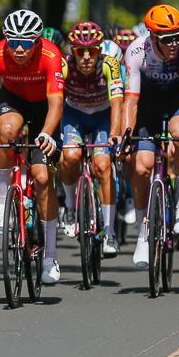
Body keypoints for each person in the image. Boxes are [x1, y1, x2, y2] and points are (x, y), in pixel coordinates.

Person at [0, 9, 65, 284]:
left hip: (44, 107)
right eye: (13, 42)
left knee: (43, 179)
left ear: (37, 41)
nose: (19, 49)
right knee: (6, 131)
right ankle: (1, 202)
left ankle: (50, 255)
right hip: (13, 100)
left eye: (26, 42)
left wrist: (47, 134)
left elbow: (57, 102)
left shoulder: (51, 54)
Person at [122, 4, 179, 266]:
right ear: (152, 37)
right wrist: (126, 135)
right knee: (142, 167)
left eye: (177, 37)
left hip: (176, 103)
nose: (174, 43)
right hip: (146, 106)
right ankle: (143, 235)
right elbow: (130, 102)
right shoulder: (135, 51)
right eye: (167, 39)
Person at [56, 21, 125, 252]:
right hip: (74, 114)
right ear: (72, 52)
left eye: (92, 51)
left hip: (102, 117)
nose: (86, 57)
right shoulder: (64, 66)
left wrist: (115, 134)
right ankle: (69, 205)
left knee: (103, 165)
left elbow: (117, 104)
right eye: (80, 52)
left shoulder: (110, 64)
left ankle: (110, 232)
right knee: (71, 156)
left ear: (100, 51)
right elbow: (54, 101)